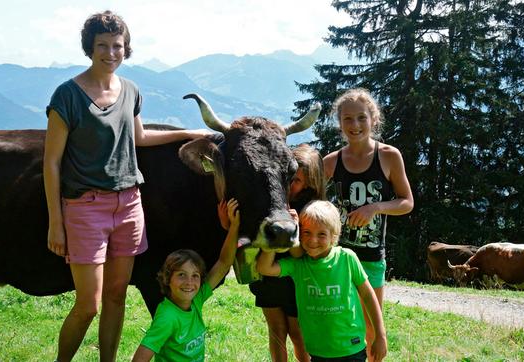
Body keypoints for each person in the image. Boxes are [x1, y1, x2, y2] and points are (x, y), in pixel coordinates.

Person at [43, 10, 209, 362]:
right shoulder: (67, 96)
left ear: (126, 48)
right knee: (88, 305)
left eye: (117, 46)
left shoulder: (130, 90)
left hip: (129, 205)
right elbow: (51, 162)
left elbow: (140, 137)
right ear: (89, 48)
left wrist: (191, 134)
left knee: (117, 295)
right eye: (102, 45)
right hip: (84, 207)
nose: (110, 53)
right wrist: (55, 221)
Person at [322, 88, 413, 360]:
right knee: (339, 325)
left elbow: (407, 201)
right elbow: (316, 205)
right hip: (337, 258)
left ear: (374, 119)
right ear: (339, 123)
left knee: (373, 329)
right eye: (347, 119)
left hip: (372, 258)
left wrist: (376, 207)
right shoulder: (330, 163)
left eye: (362, 118)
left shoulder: (388, 156)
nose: (355, 125)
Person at [257, 200, 387, 362]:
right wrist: (276, 238)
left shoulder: (347, 258)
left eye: (321, 234)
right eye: (306, 233)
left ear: (334, 236)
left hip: (351, 349)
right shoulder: (299, 265)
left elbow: (368, 296)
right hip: (317, 352)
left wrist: (380, 336)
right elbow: (264, 268)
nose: (313, 240)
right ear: (299, 233)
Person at [230, 143, 324, 362]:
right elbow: (248, 232)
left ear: (310, 183)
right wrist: (230, 224)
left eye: (297, 181)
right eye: (288, 177)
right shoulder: (268, 198)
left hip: (294, 280)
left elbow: (303, 253)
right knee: (276, 331)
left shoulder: (310, 209)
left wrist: (296, 225)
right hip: (265, 278)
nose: (290, 185)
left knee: (298, 333)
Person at [132, 199, 240, 361]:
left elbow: (224, 263)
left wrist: (234, 227)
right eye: (181, 275)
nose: (189, 282)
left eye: (195, 275)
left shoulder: (196, 300)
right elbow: (140, 358)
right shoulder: (167, 318)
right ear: (167, 279)